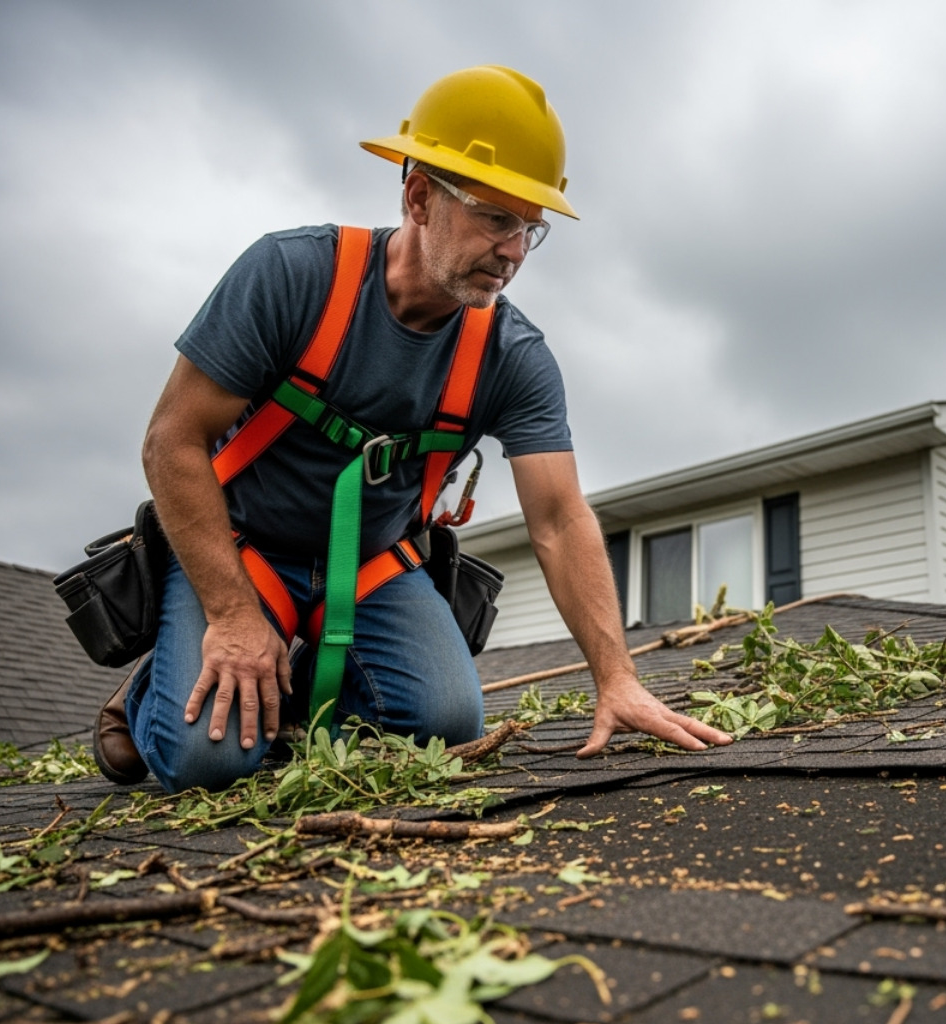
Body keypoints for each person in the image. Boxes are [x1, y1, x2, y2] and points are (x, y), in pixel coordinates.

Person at [92, 65, 731, 792]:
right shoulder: (292, 276)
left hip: (368, 569)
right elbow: (169, 442)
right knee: (206, 759)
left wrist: (617, 679)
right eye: (495, 218)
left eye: (531, 229)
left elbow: (557, 518)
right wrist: (233, 613)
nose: (515, 252)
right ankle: (149, 692)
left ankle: (287, 692)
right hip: (240, 555)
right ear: (420, 195)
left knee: (447, 722)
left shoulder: (512, 356)